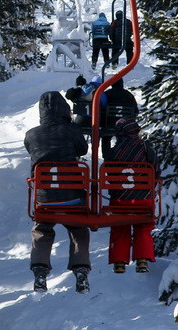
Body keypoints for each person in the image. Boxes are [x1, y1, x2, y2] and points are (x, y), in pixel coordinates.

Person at [24, 90, 90, 293]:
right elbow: (82, 149)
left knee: (42, 229)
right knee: (78, 228)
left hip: (44, 200)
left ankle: (40, 271)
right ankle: (80, 270)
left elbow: (30, 149)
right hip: (71, 198)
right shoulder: (70, 131)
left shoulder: (32, 135)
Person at [102, 118, 158, 274]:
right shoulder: (145, 147)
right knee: (143, 226)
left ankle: (119, 262)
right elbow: (155, 168)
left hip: (120, 199)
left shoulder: (114, 151)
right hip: (142, 199)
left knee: (120, 226)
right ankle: (142, 260)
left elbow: (108, 172)